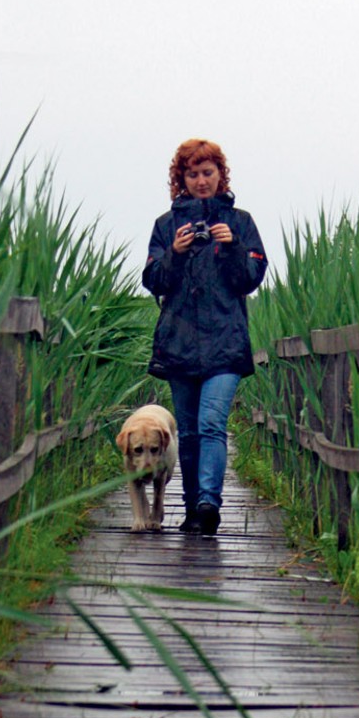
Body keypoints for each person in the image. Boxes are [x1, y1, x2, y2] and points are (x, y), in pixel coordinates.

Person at [142, 138, 268, 536]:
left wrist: (232, 247)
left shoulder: (240, 223)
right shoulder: (166, 226)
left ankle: (208, 504)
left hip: (225, 343)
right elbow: (153, 281)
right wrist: (174, 253)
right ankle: (192, 507)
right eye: (192, 174)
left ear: (220, 175)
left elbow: (249, 280)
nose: (201, 181)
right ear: (181, 179)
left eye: (207, 173)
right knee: (190, 430)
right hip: (179, 344)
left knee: (212, 422)